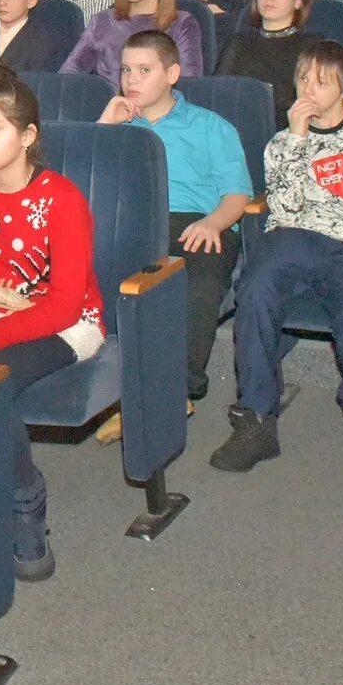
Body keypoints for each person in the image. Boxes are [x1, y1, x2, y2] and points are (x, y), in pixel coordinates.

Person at [209, 42, 343, 474]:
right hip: (294, 238)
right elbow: (281, 209)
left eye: (321, 81)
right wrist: (298, 141)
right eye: (303, 78)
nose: (309, 88)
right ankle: (256, 419)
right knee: (254, 290)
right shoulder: (284, 140)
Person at [0, 77, 102, 580]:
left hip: (69, 324)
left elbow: (62, 307)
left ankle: (25, 504)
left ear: (28, 135)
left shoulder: (61, 199)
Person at [100, 29, 253, 404]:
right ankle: (108, 380)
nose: (131, 80)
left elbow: (237, 195)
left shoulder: (209, 126)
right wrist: (105, 124)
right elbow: (85, 184)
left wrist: (214, 222)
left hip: (195, 223)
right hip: (130, 223)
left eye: (143, 70)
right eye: (125, 70)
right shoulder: (116, 126)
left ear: (171, 74)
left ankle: (177, 388)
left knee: (199, 277)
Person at [218, 0, 320, 127]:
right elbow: (219, 95)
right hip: (239, 129)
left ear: (298, 2)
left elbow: (313, 102)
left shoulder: (312, 47)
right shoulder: (237, 43)